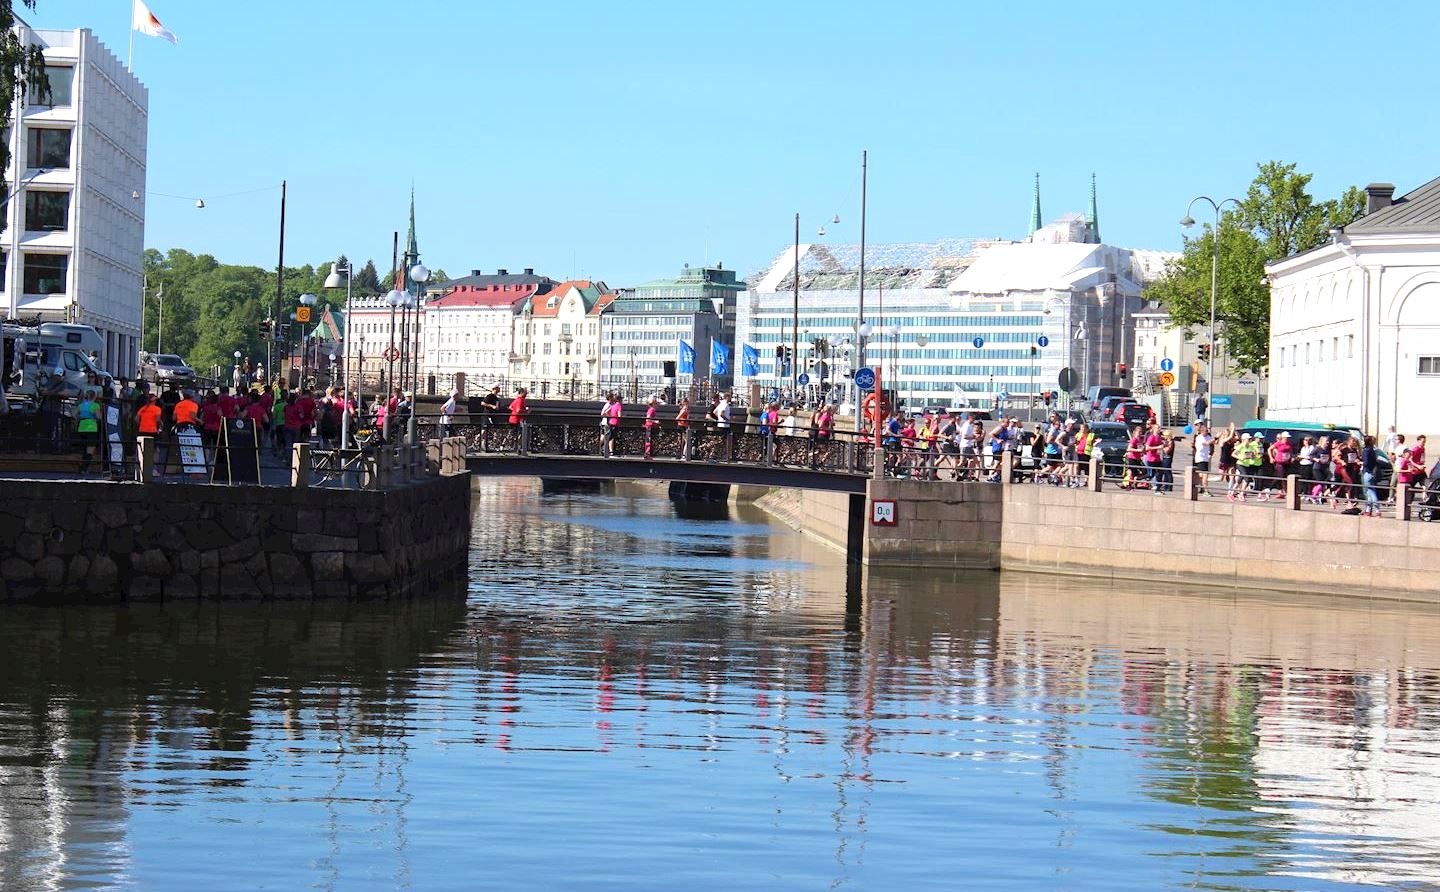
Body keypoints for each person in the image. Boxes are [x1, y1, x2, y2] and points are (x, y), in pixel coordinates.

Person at [75, 389, 101, 473]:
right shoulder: (95, 405)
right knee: (90, 449)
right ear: (94, 396)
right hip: (91, 427)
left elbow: (73, 413)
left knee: (83, 448)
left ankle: (82, 467)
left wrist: (79, 417)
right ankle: (84, 468)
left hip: (81, 426)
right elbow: (99, 416)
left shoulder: (81, 405)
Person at [1361, 435, 1382, 516]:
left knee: (1371, 491)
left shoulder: (1366, 450)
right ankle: (1368, 509)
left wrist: (1361, 462)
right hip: (1372, 472)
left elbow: (1366, 462)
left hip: (1367, 472)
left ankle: (1377, 510)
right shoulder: (1373, 450)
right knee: (1370, 491)